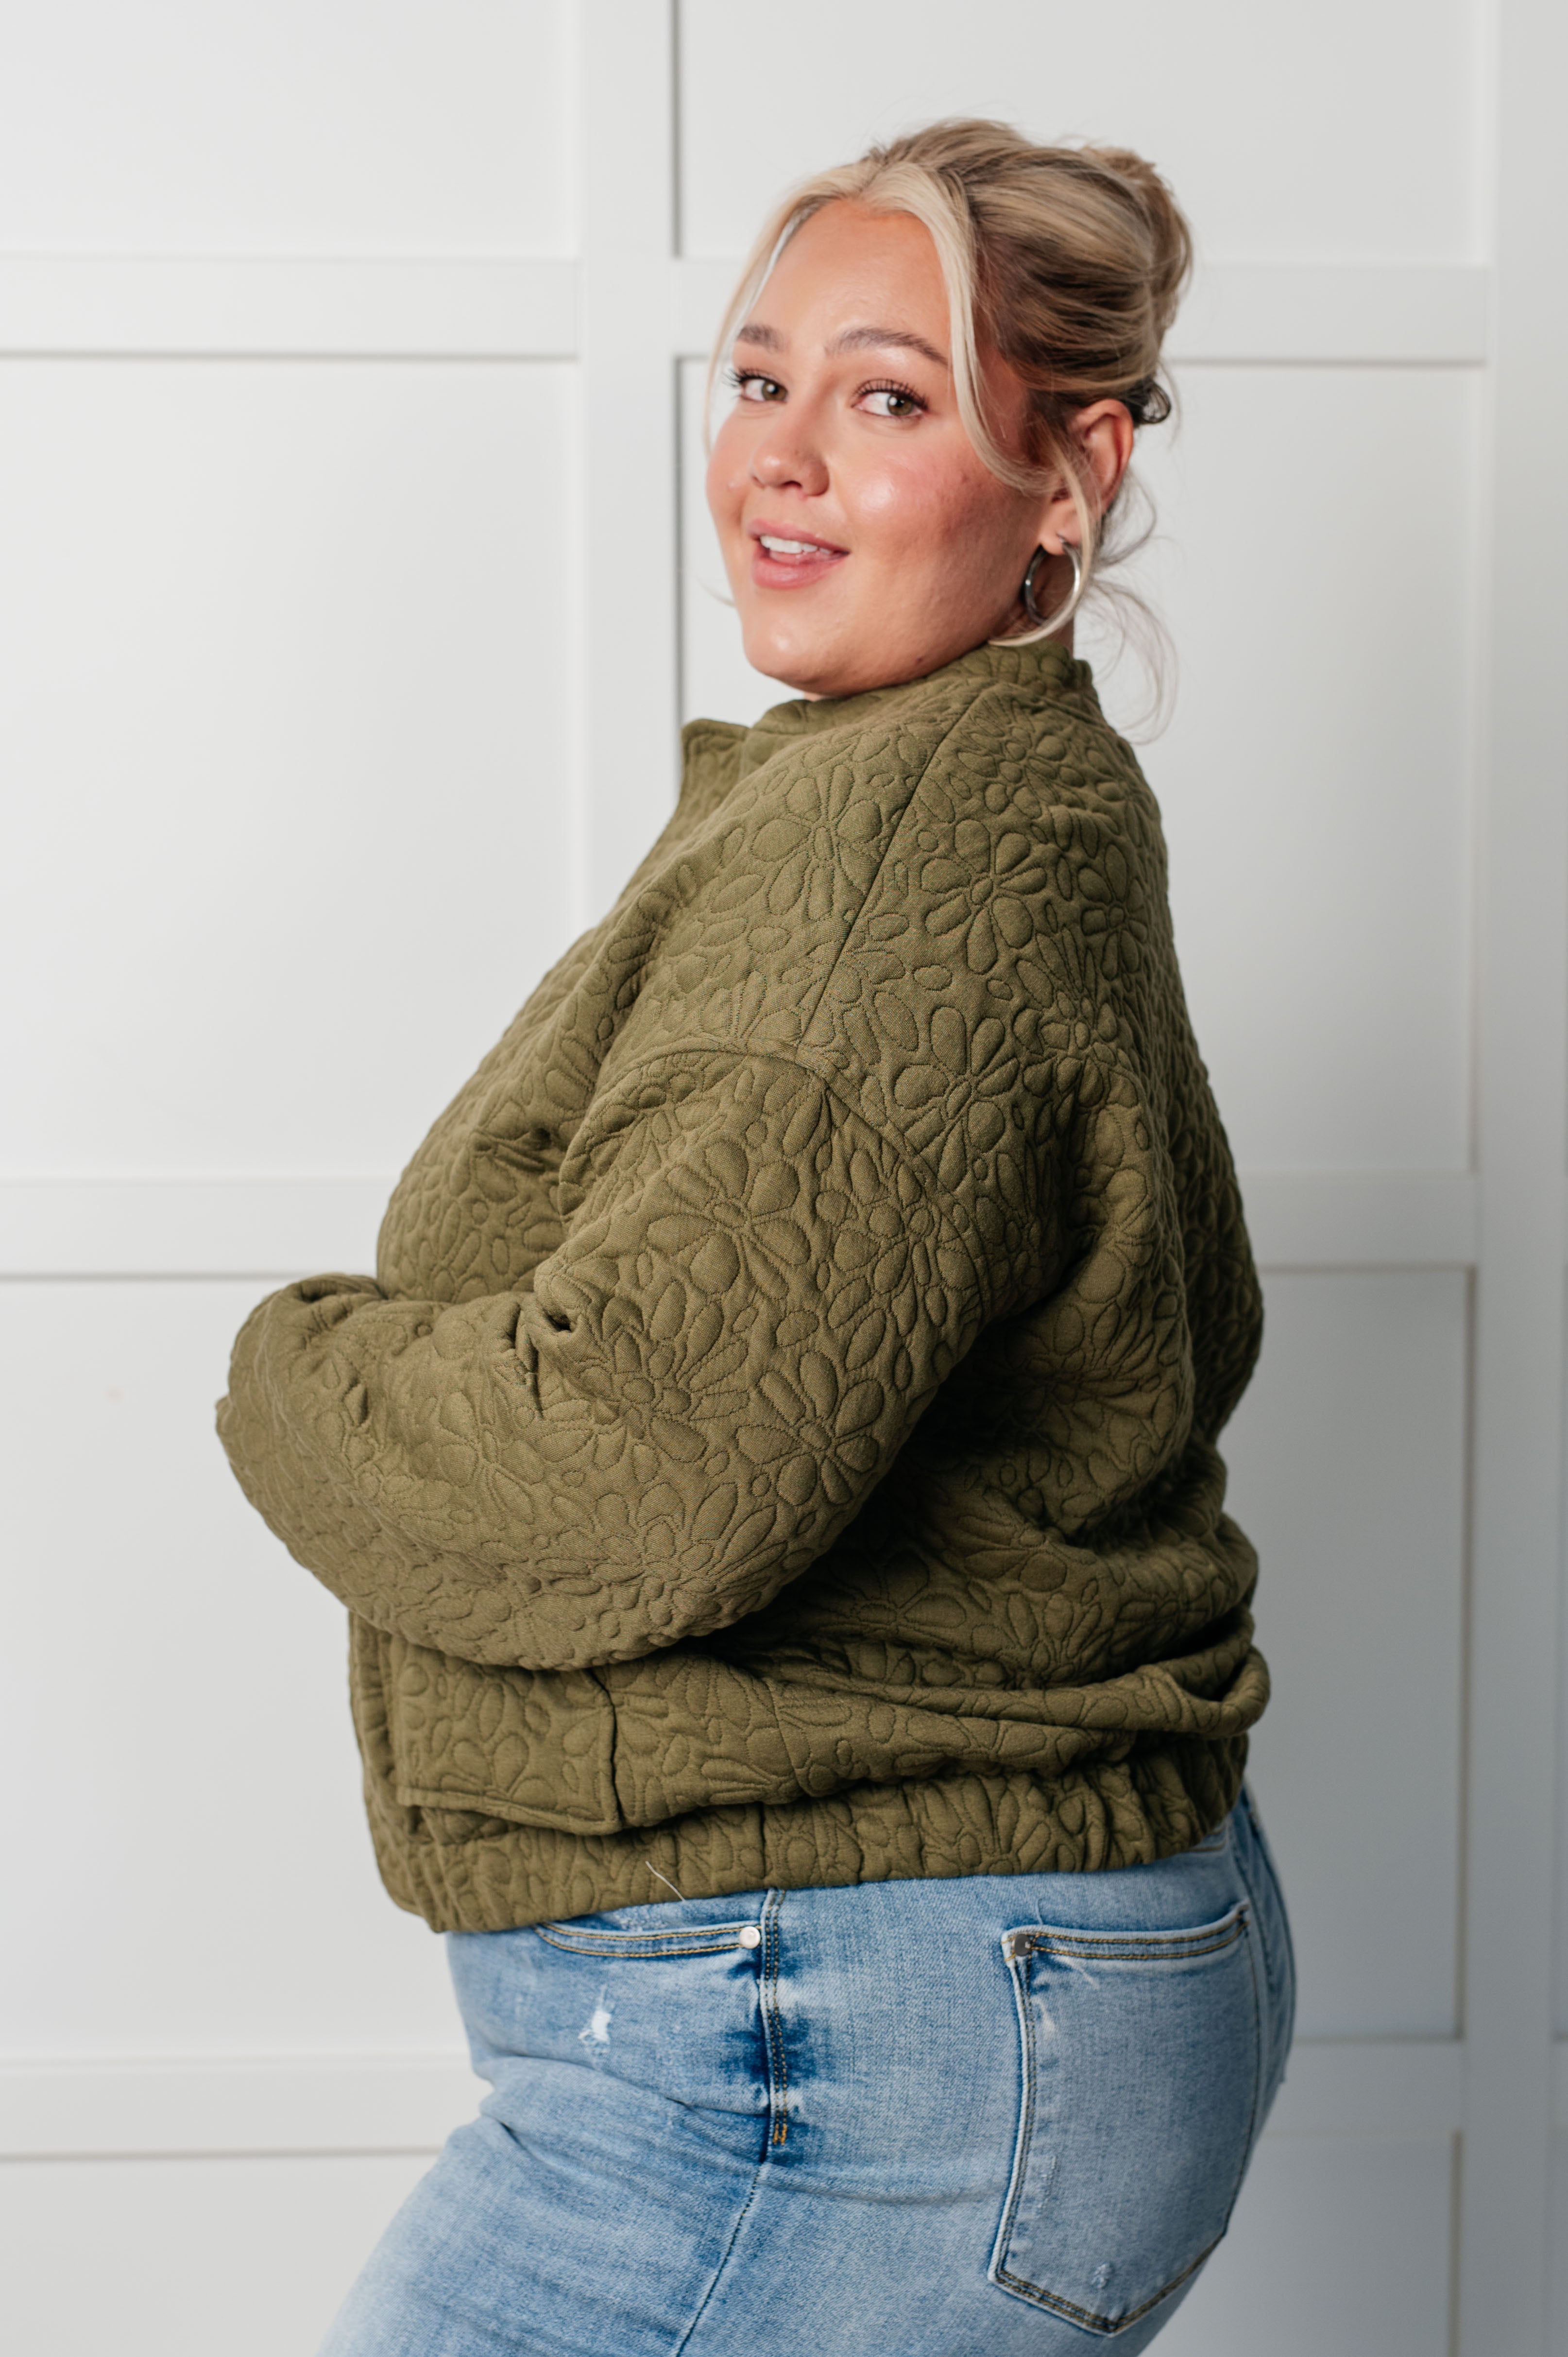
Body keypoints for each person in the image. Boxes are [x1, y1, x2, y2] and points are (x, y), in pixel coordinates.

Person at [219, 118, 1294, 2357]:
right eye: (758, 379)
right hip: (891, 1998)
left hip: (828, 2047)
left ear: (1064, 479)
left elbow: (633, 1467)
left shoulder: (917, 848)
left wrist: (293, 1366)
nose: (780, 462)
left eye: (889, 398)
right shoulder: (938, 787)